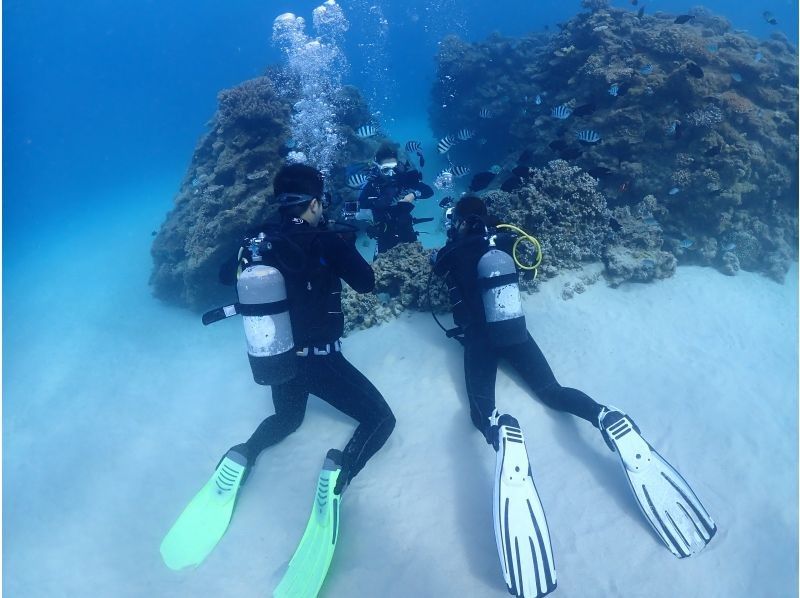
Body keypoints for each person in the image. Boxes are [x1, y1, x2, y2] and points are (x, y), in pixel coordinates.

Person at [431, 195, 716, 598]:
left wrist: (453, 239)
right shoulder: (504, 240)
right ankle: (602, 415)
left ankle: (499, 427)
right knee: (552, 391)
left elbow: (438, 270)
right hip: (516, 332)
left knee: (481, 408)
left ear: (460, 220)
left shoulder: (454, 249)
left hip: (480, 338)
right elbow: (527, 269)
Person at [161, 164, 396, 585]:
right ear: (314, 203)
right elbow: (366, 282)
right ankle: (339, 473)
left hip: (277, 358)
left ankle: (244, 454)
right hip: (321, 362)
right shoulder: (325, 239)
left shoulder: (256, 239)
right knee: (382, 419)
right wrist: (339, 245)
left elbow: (224, 276)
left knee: (287, 418)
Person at [358, 142, 433, 255]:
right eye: (386, 170)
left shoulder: (404, 178)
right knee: (382, 261)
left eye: (394, 168)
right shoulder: (372, 185)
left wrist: (413, 195)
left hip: (406, 227)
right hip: (383, 231)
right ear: (378, 167)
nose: (391, 174)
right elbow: (360, 206)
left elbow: (428, 191)